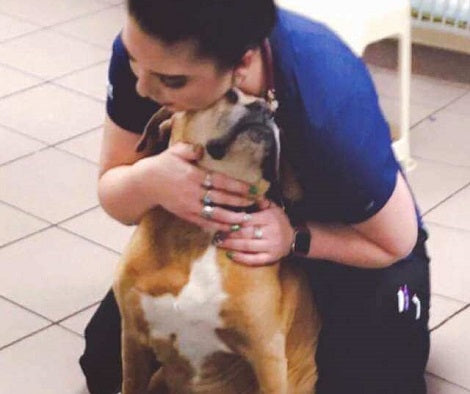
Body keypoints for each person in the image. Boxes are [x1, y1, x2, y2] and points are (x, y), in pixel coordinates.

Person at [79, 0, 431, 393]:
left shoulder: (327, 97)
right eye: (132, 62)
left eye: (171, 81)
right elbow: (114, 193)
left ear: (242, 64)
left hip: (350, 238)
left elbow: (397, 241)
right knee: (102, 365)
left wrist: (294, 238)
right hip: (216, 234)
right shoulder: (153, 51)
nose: (143, 87)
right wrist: (149, 179)